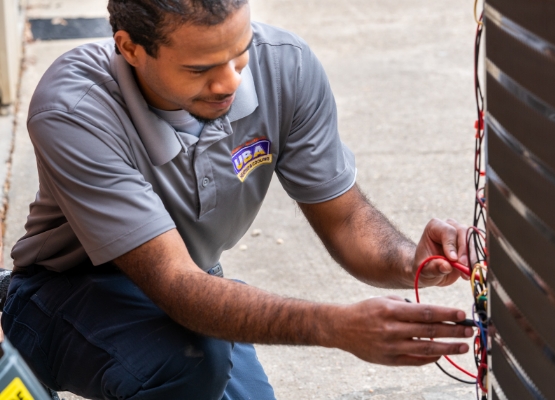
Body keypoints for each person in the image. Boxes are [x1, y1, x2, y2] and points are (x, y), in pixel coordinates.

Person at [1, 0, 474, 398]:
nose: (229, 82)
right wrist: (334, 327)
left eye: (239, 52)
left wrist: (410, 259)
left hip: (193, 285)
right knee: (188, 362)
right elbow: (174, 284)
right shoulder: (74, 107)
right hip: (64, 294)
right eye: (200, 68)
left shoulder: (285, 66)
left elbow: (346, 219)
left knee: (202, 359)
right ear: (130, 48)